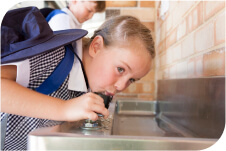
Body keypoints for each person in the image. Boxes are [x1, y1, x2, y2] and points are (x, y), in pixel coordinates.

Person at [1, 6, 155, 151]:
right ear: (96, 47)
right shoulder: (54, 57)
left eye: (132, 80)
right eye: (120, 69)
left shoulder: (86, 86)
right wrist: (64, 108)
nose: (122, 86)